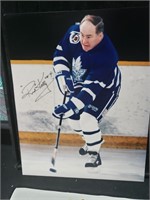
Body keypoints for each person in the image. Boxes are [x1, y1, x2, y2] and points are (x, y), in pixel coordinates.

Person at [52, 15, 121, 168]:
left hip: (105, 89)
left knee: (87, 119)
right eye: (82, 35)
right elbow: (60, 56)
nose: (83, 40)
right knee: (73, 119)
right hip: (83, 81)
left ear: (100, 35)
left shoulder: (108, 56)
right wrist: (64, 78)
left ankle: (94, 154)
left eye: (89, 36)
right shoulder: (74, 33)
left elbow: (89, 93)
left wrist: (68, 106)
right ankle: (91, 141)